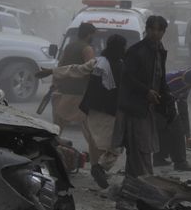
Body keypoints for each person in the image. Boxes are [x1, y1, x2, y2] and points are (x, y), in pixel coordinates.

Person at [39, 34, 127, 188]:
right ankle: (99, 168)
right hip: (110, 113)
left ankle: (97, 168)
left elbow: (75, 70)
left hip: (92, 110)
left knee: (96, 142)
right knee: (116, 147)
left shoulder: (98, 63)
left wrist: (52, 71)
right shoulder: (124, 66)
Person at [114, 15, 173, 178]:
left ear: (163, 32)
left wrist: (167, 98)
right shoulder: (136, 51)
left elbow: (160, 78)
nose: (155, 33)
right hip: (135, 107)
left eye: (159, 30)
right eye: (152, 29)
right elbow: (126, 77)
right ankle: (146, 182)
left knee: (139, 149)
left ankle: (133, 184)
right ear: (146, 30)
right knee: (141, 147)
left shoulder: (160, 50)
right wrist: (146, 91)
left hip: (149, 108)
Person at [52, 23, 97, 139]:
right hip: (79, 94)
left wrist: (55, 84)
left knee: (57, 128)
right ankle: (96, 155)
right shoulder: (87, 49)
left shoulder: (69, 46)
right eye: (93, 35)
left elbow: (60, 66)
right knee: (90, 131)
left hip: (65, 91)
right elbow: (90, 71)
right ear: (89, 34)